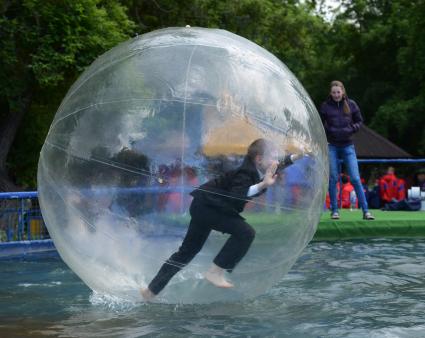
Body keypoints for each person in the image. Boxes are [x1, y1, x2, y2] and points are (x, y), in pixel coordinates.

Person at [141, 138, 304, 300]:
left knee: (186, 253)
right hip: (208, 207)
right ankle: (215, 271)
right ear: (259, 159)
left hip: (203, 205)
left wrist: (299, 155)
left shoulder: (263, 169)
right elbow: (236, 197)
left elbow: (281, 163)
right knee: (245, 233)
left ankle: (150, 291)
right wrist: (263, 185)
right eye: (273, 157)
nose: (277, 161)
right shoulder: (246, 172)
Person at [319, 80, 374, 220]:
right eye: (334, 92)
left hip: (348, 145)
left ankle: (366, 211)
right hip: (331, 145)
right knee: (333, 178)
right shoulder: (325, 106)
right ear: (330, 93)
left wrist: (351, 129)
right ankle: (335, 210)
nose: (336, 95)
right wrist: (329, 130)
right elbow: (319, 123)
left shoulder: (351, 104)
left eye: (338, 92)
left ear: (343, 92)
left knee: (355, 178)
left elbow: (359, 121)